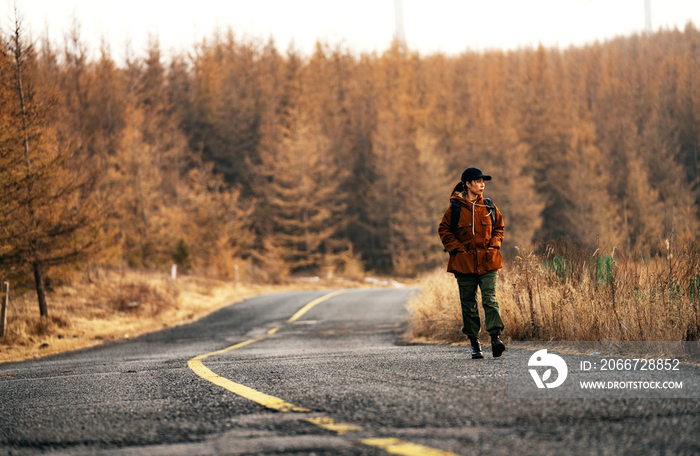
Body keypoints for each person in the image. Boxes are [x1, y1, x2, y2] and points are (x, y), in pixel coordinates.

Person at [438, 167, 506, 359]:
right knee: (468, 304)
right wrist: (457, 249)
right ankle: (475, 343)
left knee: (490, 299)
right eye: (477, 181)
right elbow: (444, 230)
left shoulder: (490, 206)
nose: (482, 184)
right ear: (467, 184)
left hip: (488, 262)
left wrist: (494, 245)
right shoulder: (455, 208)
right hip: (464, 264)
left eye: (483, 181)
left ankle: (495, 339)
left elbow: (499, 227)